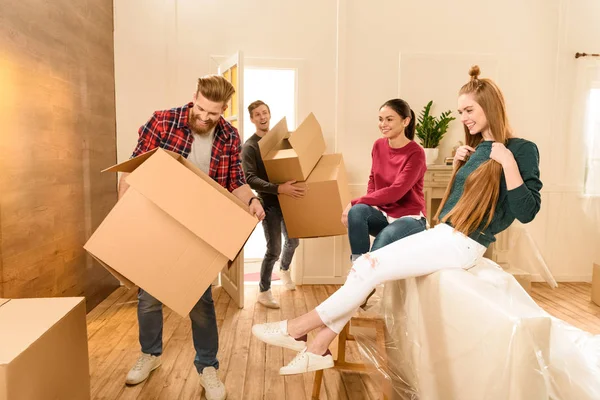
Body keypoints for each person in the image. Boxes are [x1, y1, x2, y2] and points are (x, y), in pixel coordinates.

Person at [251, 65, 542, 375]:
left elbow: (527, 211)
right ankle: (317, 347)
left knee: (369, 267)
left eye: (469, 109)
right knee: (366, 266)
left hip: (464, 243)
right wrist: (459, 167)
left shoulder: (520, 150)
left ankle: (297, 328)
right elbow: (452, 208)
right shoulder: (477, 149)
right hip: (444, 233)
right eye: (460, 111)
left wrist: (508, 162)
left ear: (491, 106)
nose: (464, 118)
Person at [120, 75, 265, 400]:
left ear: (223, 110)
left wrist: (253, 200)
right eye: (200, 108)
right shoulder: (164, 121)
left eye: (211, 113)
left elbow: (235, 182)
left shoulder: (229, 135)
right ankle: (151, 355)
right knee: (148, 300)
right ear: (194, 97)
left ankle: (207, 366)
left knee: (201, 303)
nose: (203, 117)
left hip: (199, 228)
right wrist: (124, 217)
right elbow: (133, 168)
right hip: (159, 221)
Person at [340, 98, 428, 306]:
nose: (383, 124)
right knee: (358, 212)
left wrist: (354, 201)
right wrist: (362, 205)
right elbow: (373, 179)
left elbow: (396, 192)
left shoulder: (416, 153)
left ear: (405, 122)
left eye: (389, 119)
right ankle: (359, 274)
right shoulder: (378, 145)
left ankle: (360, 287)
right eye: (380, 119)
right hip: (384, 215)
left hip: (410, 218)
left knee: (382, 238)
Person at [241, 100, 306, 309]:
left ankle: (284, 269)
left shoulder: (279, 141)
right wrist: (279, 188)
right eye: (257, 114)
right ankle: (264, 291)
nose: (262, 117)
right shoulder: (250, 147)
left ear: (269, 114)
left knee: (294, 242)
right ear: (252, 119)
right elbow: (250, 178)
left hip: (289, 199)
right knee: (273, 249)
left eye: (265, 113)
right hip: (269, 202)